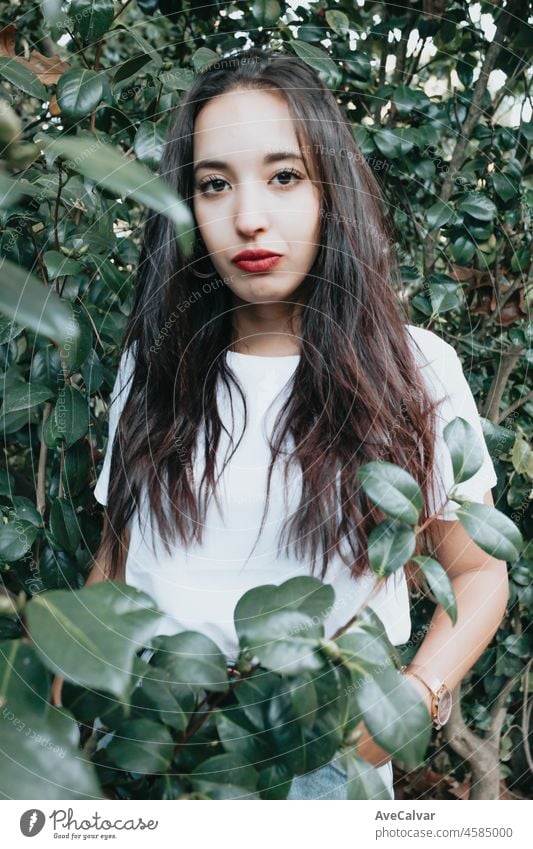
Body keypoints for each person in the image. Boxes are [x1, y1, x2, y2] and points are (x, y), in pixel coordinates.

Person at [53, 47, 508, 800]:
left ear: (331, 189)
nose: (248, 217)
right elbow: (118, 561)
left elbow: (477, 569)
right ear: (185, 206)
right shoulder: (155, 363)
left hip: (318, 757)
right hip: (140, 744)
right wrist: (65, 739)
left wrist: (403, 704)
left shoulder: (411, 367)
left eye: (284, 176)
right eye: (213, 184)